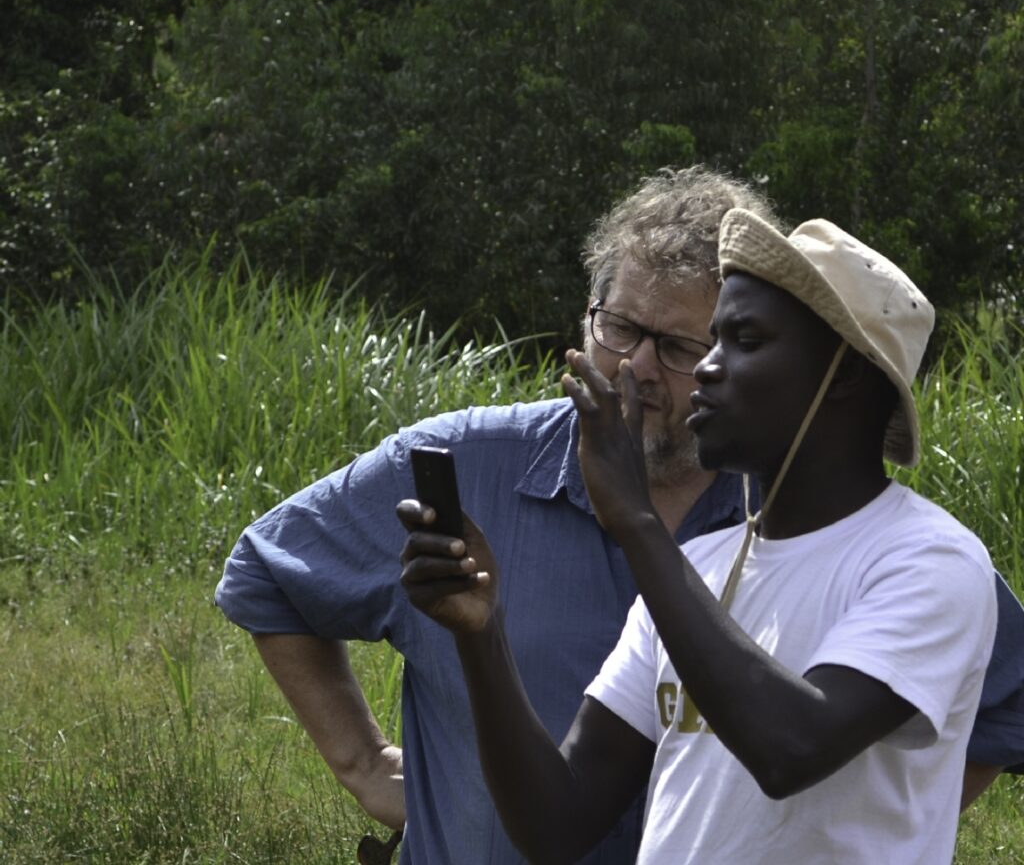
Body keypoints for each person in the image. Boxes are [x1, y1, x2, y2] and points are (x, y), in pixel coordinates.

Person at [215, 168, 1023, 863]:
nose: (656, 368)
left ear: (839, 381)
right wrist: (480, 635)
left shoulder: (927, 562)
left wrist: (899, 812)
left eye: (717, 343)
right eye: (622, 329)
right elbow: (557, 823)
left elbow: (792, 749)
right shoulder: (702, 567)